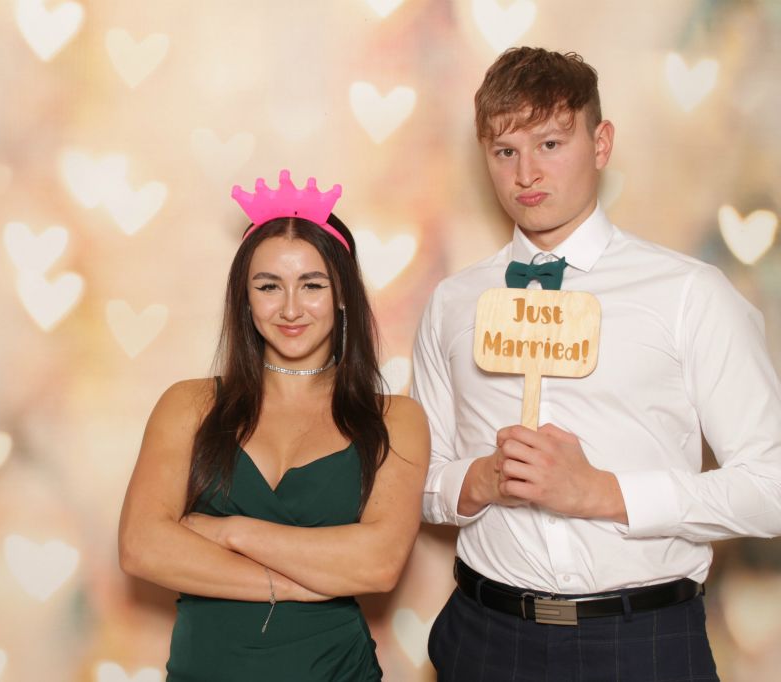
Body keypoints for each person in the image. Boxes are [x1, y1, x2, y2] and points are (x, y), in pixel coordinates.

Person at [412, 47, 781, 680]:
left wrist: (603, 493)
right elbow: (416, 480)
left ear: (601, 142)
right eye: (505, 152)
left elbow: (771, 488)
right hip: (485, 635)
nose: (527, 173)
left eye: (551, 144)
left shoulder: (689, 293)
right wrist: (480, 481)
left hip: (642, 641)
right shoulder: (453, 303)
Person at [119, 170, 429, 681]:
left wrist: (230, 531)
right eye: (268, 286)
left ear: (343, 294)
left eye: (312, 285)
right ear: (245, 297)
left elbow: (378, 564)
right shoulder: (188, 405)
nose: (290, 308)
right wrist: (296, 584)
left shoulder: (395, 419)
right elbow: (141, 547)